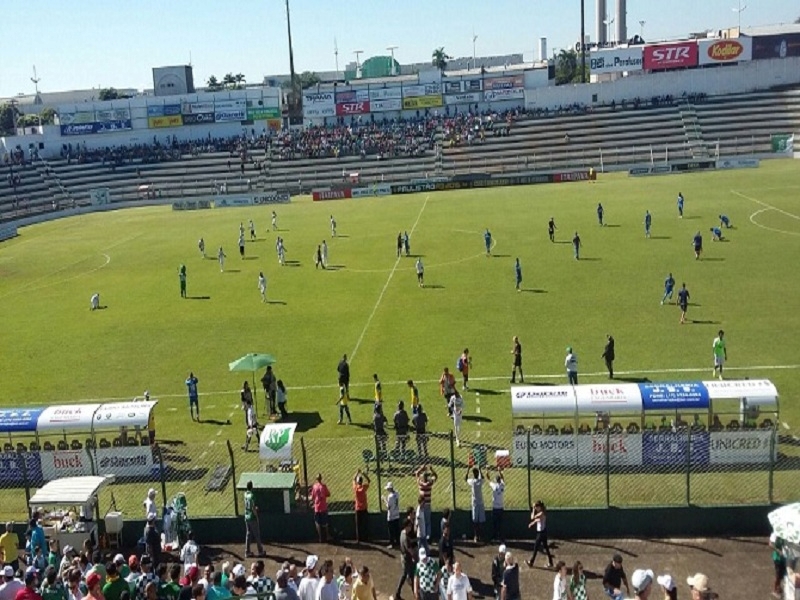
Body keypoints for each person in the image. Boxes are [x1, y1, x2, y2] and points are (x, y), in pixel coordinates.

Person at [525, 500, 554, 569]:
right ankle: (551, 562)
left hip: (541, 533)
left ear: (540, 507)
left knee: (536, 547)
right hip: (542, 532)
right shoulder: (540, 513)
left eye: (536, 507)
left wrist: (533, 510)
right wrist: (532, 523)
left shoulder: (541, 513)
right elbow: (537, 520)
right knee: (546, 547)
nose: (536, 508)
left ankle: (531, 562)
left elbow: (533, 517)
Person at [395, 518, 416, 600]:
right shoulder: (405, 538)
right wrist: (414, 556)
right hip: (407, 559)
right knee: (407, 575)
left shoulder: (402, 533)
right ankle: (398, 593)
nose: (411, 528)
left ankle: (414, 591)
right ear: (406, 526)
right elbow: (410, 550)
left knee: (409, 575)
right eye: (410, 526)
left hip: (404, 557)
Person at [243, 481, 265, 558]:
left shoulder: (245, 494)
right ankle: (260, 551)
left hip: (246, 517)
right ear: (252, 487)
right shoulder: (252, 496)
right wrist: (256, 516)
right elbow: (253, 508)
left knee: (248, 534)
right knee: (257, 534)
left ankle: (247, 551)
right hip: (252, 517)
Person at [415, 465, 437, 541]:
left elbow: (416, 474)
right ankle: (428, 536)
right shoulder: (429, 484)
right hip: (427, 505)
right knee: (428, 522)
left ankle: (422, 536)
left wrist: (421, 468)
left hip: (421, 505)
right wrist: (432, 470)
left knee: (421, 521)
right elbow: (436, 476)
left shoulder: (420, 484)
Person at [465, 467, 486, 543]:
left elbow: (466, 479)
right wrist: (480, 470)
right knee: (480, 521)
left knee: (475, 521)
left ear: (473, 474)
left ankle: (476, 536)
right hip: (480, 503)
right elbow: (483, 478)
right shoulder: (479, 481)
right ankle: (480, 536)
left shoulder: (472, 481)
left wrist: (467, 470)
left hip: (474, 503)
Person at [310, 475, 331, 543]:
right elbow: (328, 494)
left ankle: (320, 537)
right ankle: (327, 536)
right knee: (325, 523)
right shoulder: (323, 486)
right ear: (321, 478)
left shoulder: (314, 486)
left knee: (317, 522)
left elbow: (313, 496)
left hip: (317, 507)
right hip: (323, 507)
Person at [352, 470, 370, 543]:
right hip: (364, 508)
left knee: (358, 525)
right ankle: (365, 537)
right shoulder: (364, 487)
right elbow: (369, 480)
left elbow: (353, 479)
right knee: (365, 524)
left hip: (358, 508)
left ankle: (358, 539)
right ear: (362, 481)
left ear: (357, 482)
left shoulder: (356, 488)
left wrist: (357, 472)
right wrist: (363, 473)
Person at [489, 471, 505, 542]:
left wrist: (487, 471)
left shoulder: (494, 485)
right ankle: (500, 537)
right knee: (500, 524)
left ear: (496, 480)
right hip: (501, 507)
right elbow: (503, 478)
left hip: (495, 508)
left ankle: (494, 536)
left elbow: (488, 479)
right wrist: (500, 471)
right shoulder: (502, 485)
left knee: (494, 523)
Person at [385, 483, 400, 549]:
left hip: (391, 516)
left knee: (391, 531)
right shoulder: (396, 493)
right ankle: (398, 542)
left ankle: (392, 544)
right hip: (396, 514)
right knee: (397, 530)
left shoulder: (390, 496)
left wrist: (384, 500)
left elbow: (388, 507)